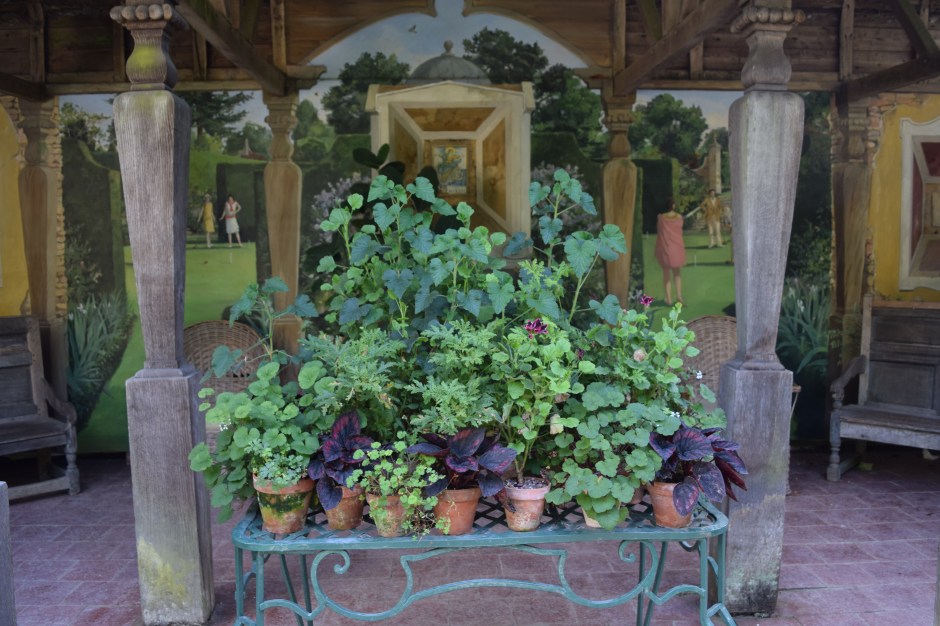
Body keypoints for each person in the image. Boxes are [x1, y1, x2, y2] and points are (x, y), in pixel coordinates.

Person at [654, 197, 686, 306]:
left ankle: (668, 298)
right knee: (677, 273)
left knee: (666, 273)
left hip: (666, 248)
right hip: (676, 248)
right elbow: (679, 230)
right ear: (673, 206)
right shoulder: (679, 217)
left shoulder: (661, 218)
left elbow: (659, 231)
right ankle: (679, 296)